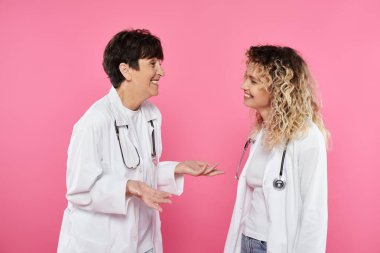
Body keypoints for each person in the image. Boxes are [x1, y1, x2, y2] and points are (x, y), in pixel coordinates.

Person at [57, 29, 223, 253]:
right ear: (126, 70)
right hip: (101, 244)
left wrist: (177, 169)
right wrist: (129, 187)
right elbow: (80, 191)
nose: (161, 72)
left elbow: (140, 170)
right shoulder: (94, 122)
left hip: (144, 242)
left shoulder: (152, 116)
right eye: (153, 64)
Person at [224, 45, 329, 253]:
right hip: (247, 239)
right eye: (247, 78)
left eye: (253, 81)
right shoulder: (262, 131)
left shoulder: (306, 136)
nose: (243, 85)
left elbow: (314, 211)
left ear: (277, 87)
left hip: (271, 246)